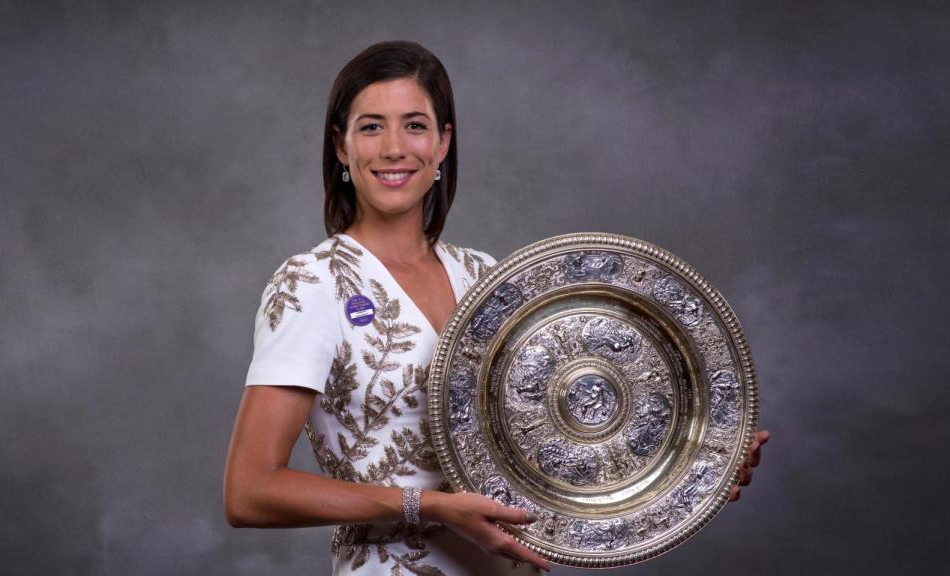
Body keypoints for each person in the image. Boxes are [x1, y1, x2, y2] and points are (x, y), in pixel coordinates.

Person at [224, 41, 768, 575]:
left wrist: (700, 463)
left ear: (442, 144)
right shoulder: (313, 283)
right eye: (371, 126)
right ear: (341, 147)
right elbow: (250, 492)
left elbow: (558, 432)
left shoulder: (488, 278)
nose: (394, 147)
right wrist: (429, 506)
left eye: (415, 125)